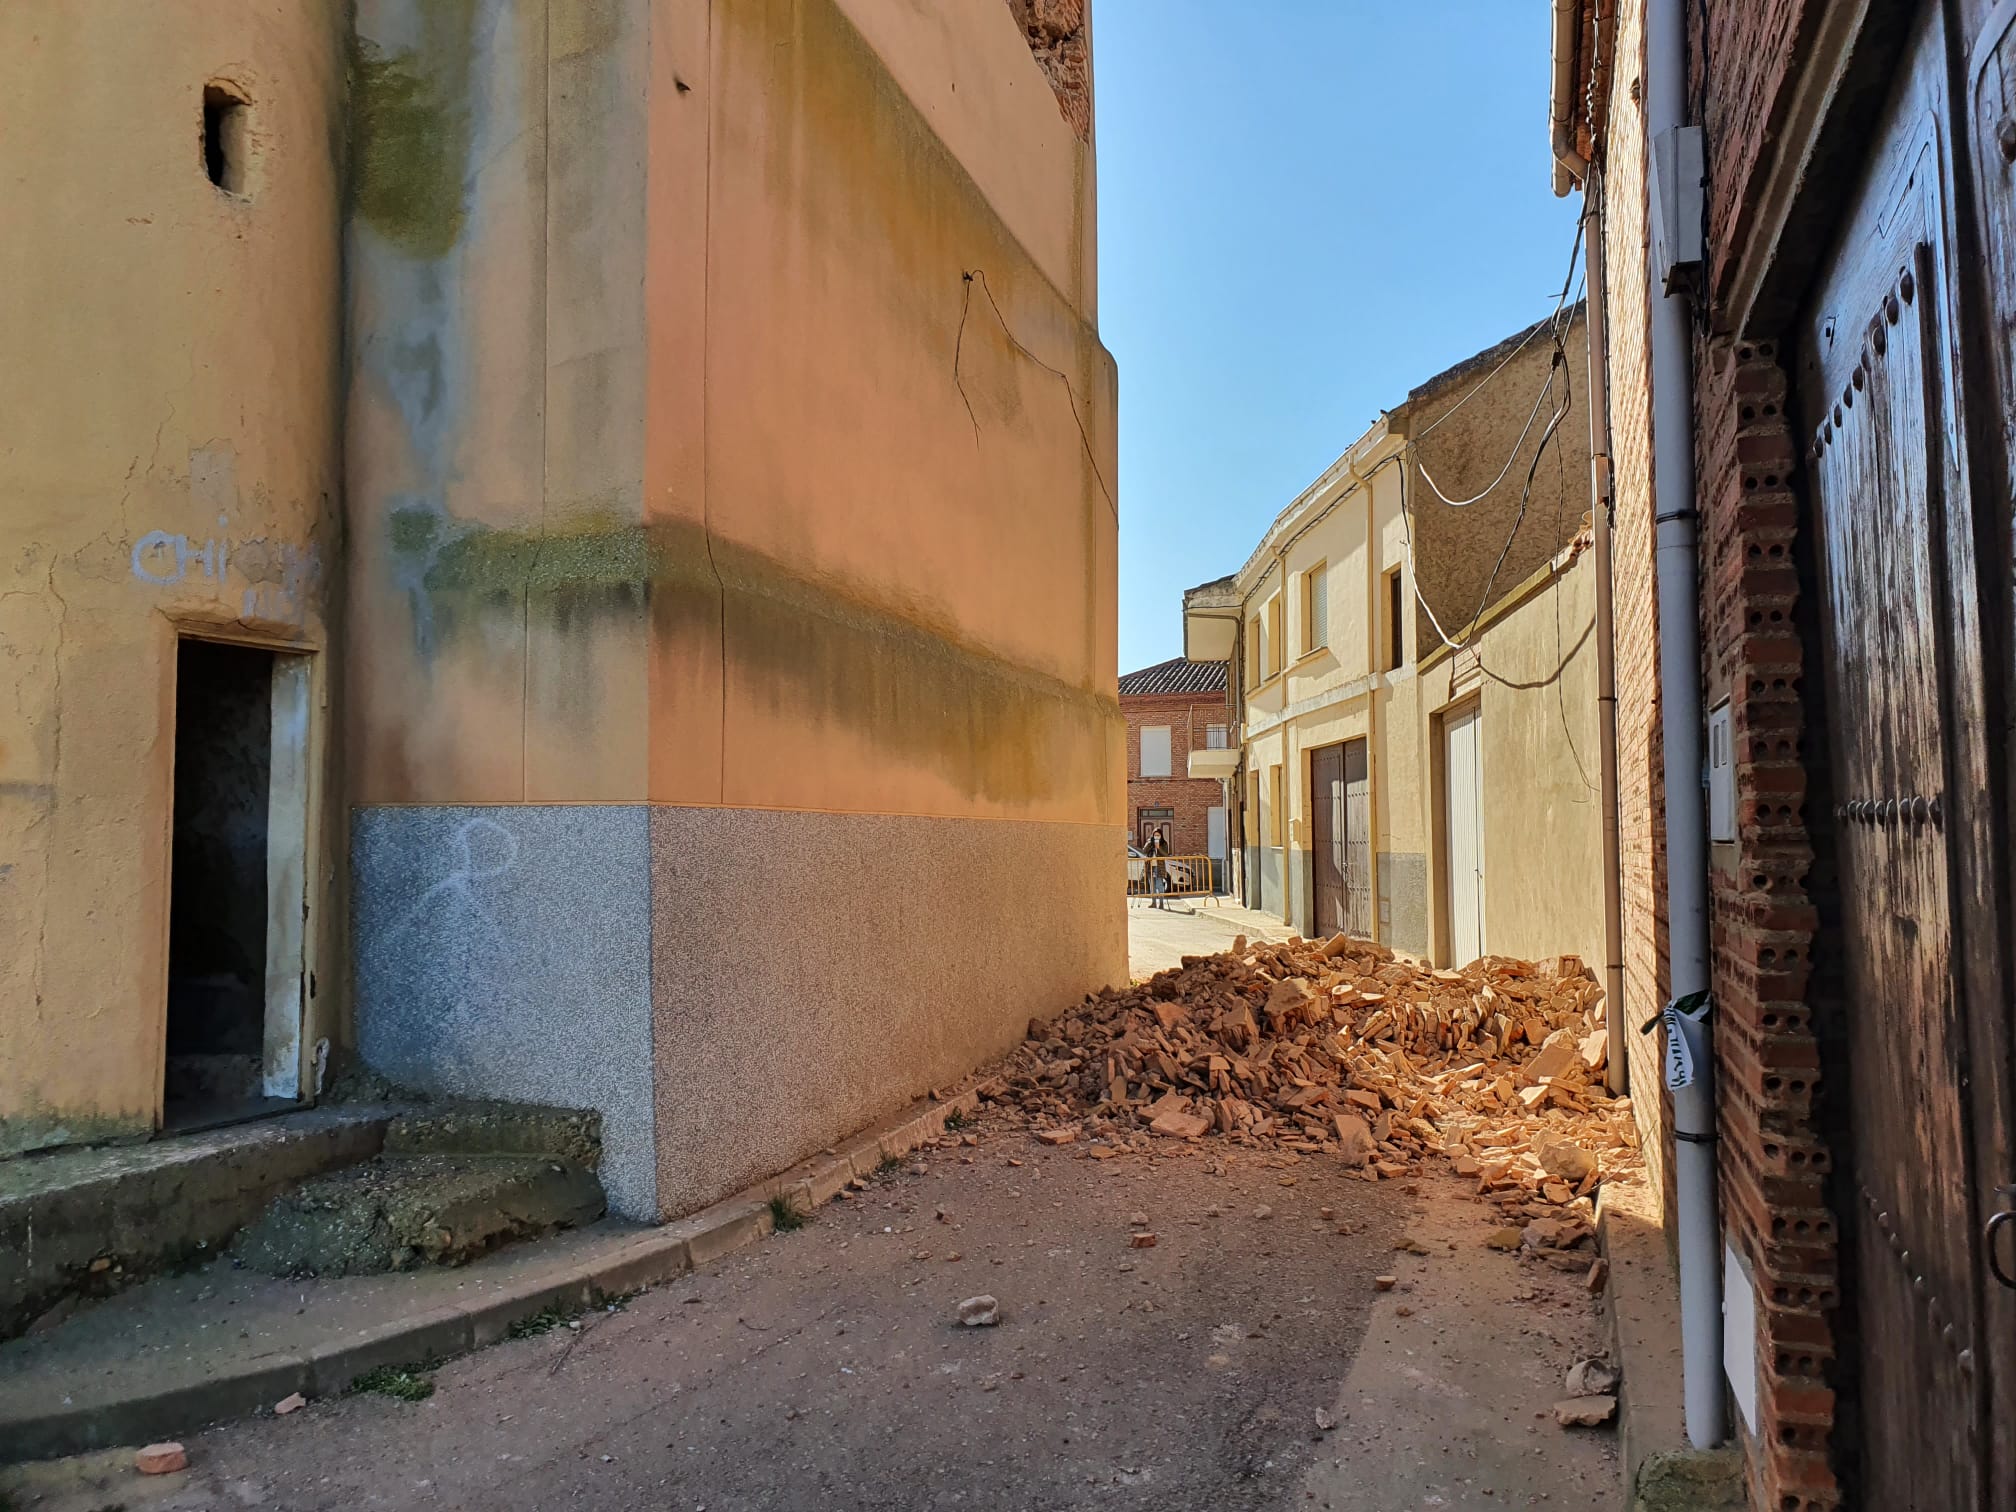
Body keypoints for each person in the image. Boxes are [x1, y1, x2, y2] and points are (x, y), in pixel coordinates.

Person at [1144, 825, 1170, 909]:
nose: (1156, 837)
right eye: (1155, 835)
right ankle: (1153, 903)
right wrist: (1149, 843)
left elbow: (1166, 854)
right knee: (1152, 886)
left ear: (1161, 835)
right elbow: (1144, 850)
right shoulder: (1150, 842)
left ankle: (1161, 903)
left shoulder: (1164, 843)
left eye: (1158, 835)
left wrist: (1159, 848)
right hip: (1150, 866)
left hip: (1159, 867)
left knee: (1159, 885)